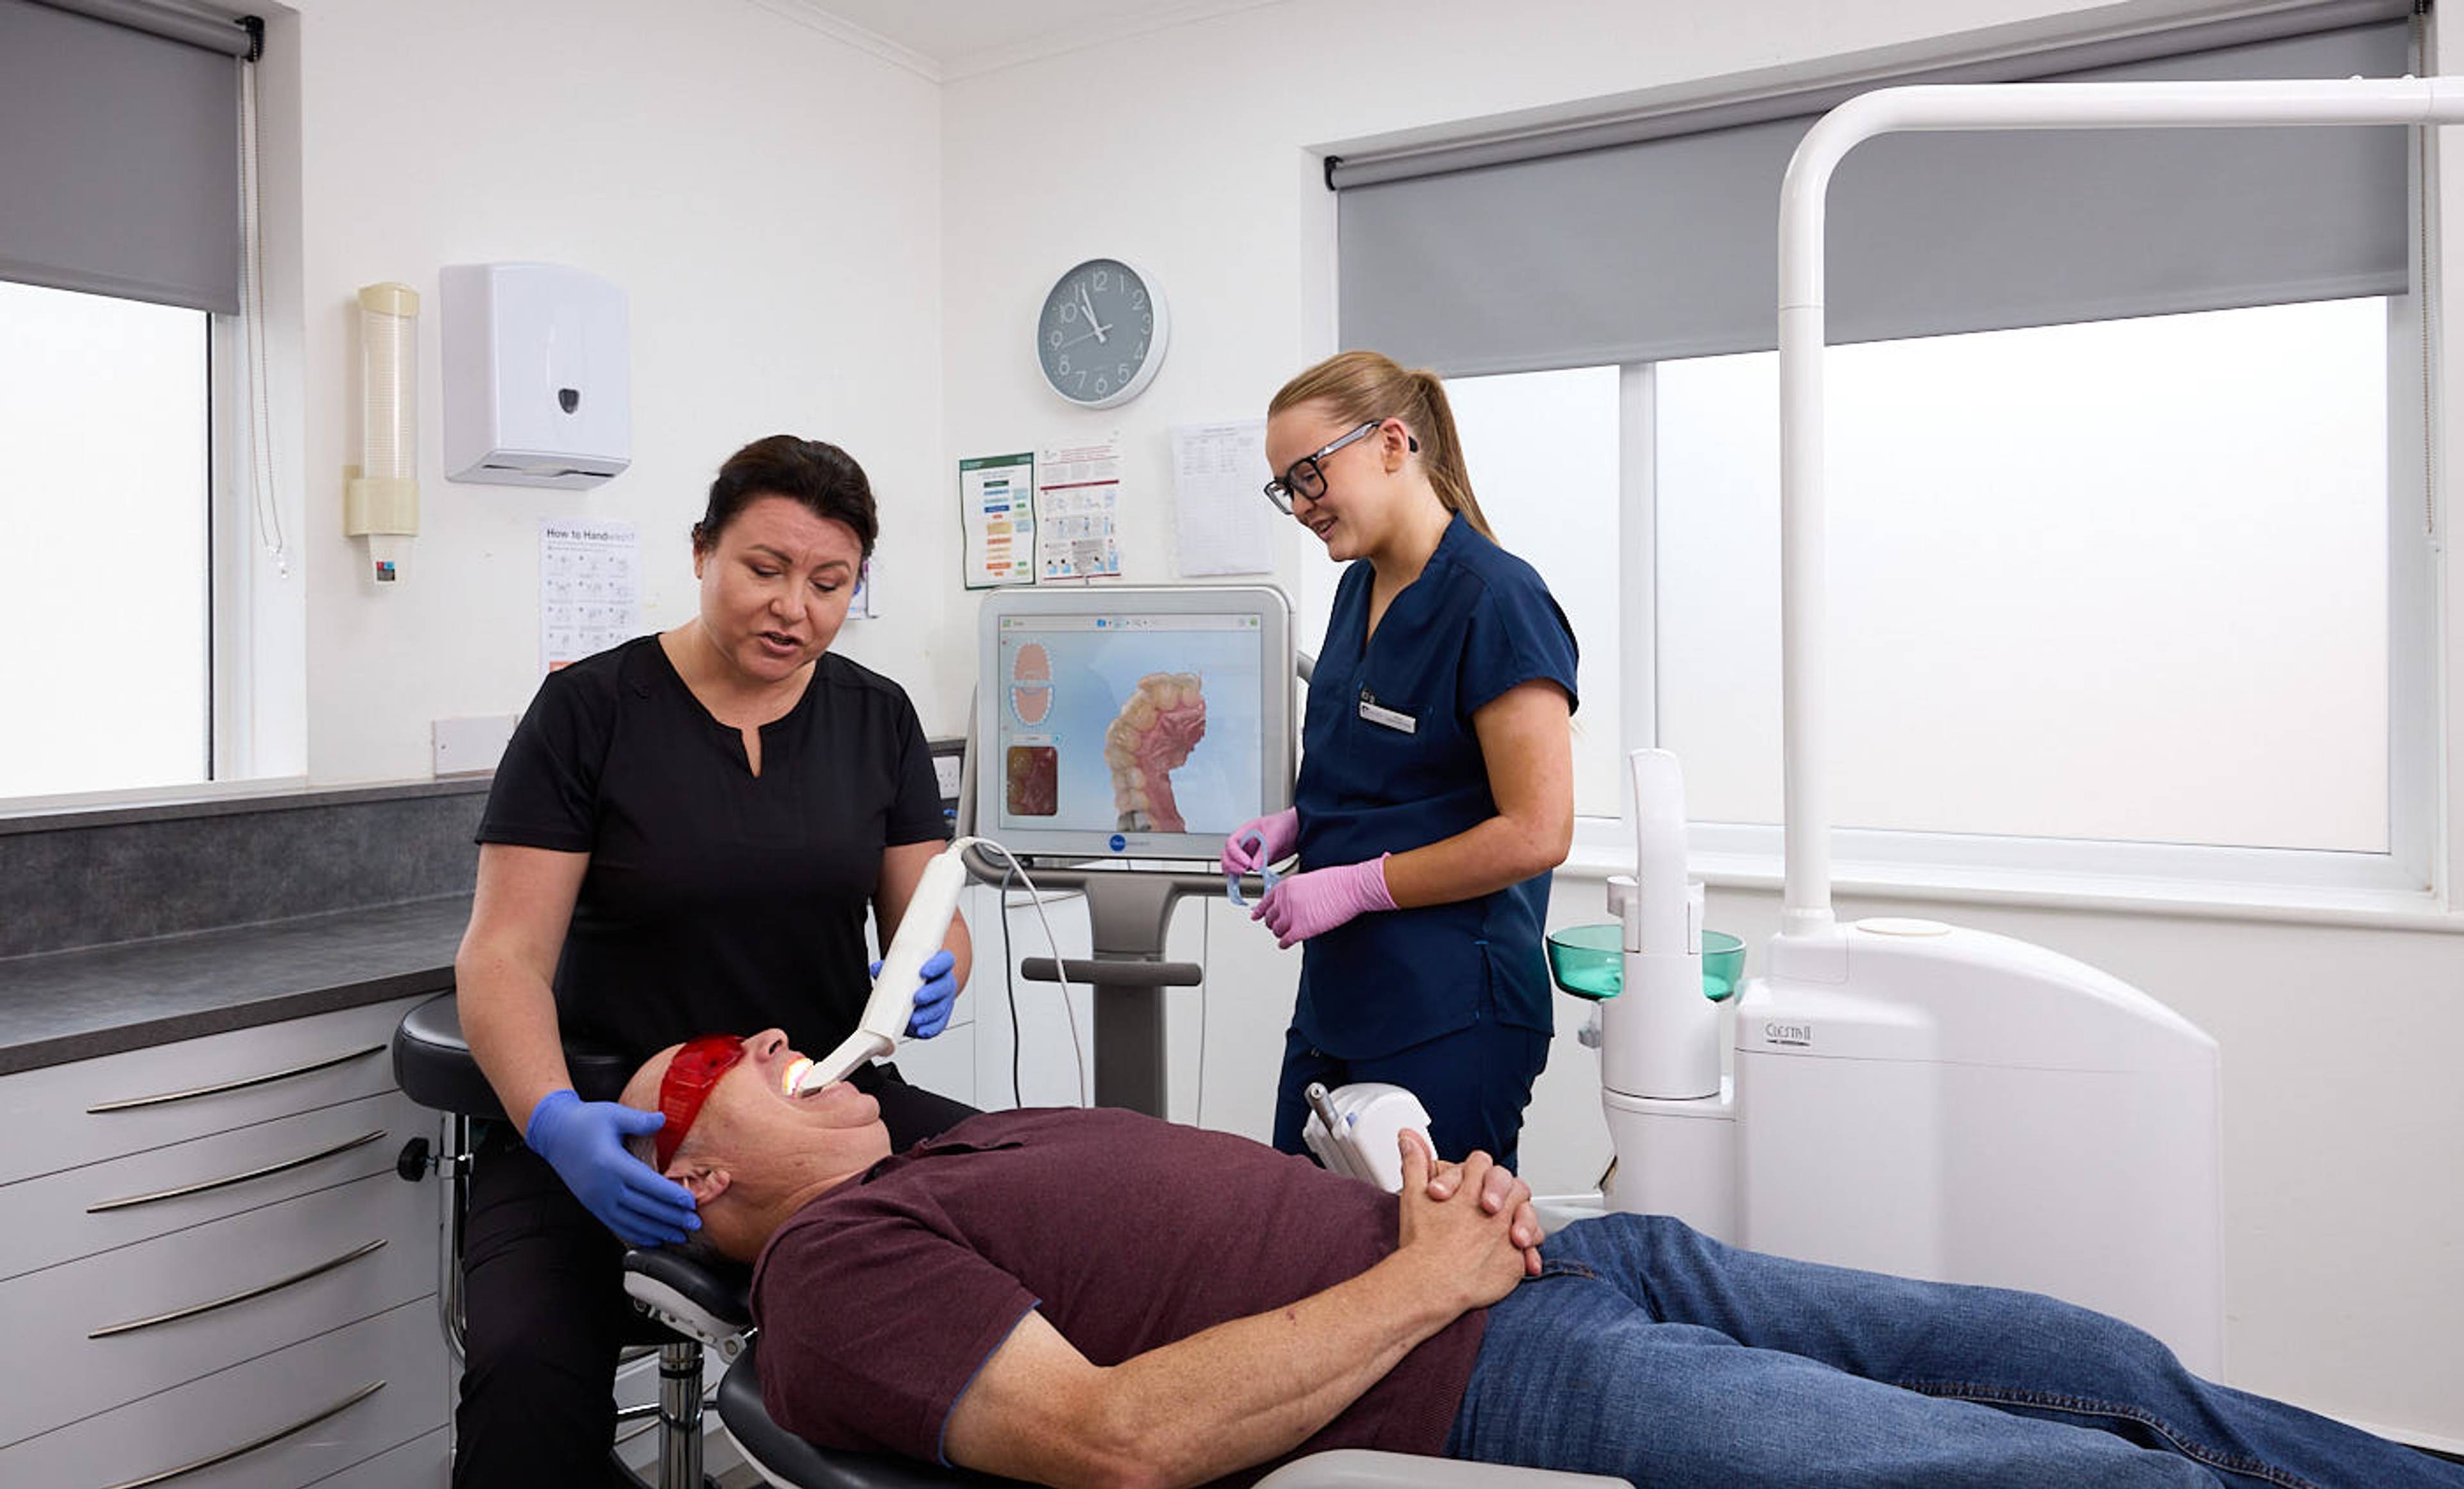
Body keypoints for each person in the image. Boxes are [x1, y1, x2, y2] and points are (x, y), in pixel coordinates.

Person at [625, 1031, 2464, 1489]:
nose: (799, 1050)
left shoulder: (956, 1146)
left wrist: (1446, 1210)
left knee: (2090, 1359)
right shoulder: (836, 1272)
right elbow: (1117, 1442)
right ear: (703, 1182)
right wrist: (1433, 1280)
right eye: (749, 1070)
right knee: (2040, 1472)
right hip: (1480, 1359)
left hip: (1562, 1259)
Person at [450, 435, 980, 1487]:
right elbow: (503, 956)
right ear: (702, 553)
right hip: (611, 1117)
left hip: (821, 1109)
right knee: (523, 1387)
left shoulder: (876, 717)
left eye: (830, 583)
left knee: (1037, 1225)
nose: (796, 607)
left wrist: (941, 966)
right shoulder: (589, 713)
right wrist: (556, 1124)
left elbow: (931, 913)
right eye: (765, 569)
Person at [1225, 350, 1579, 1173]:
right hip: (1341, 999)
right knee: (1297, 1238)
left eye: (1310, 474)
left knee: (1434, 1272)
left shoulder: (1497, 599)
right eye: (1287, 487)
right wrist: (1293, 828)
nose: (1302, 505)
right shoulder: (1359, 591)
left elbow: (1537, 832)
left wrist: (1353, 883)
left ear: (1392, 443)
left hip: (1452, 1004)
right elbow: (1380, 775)